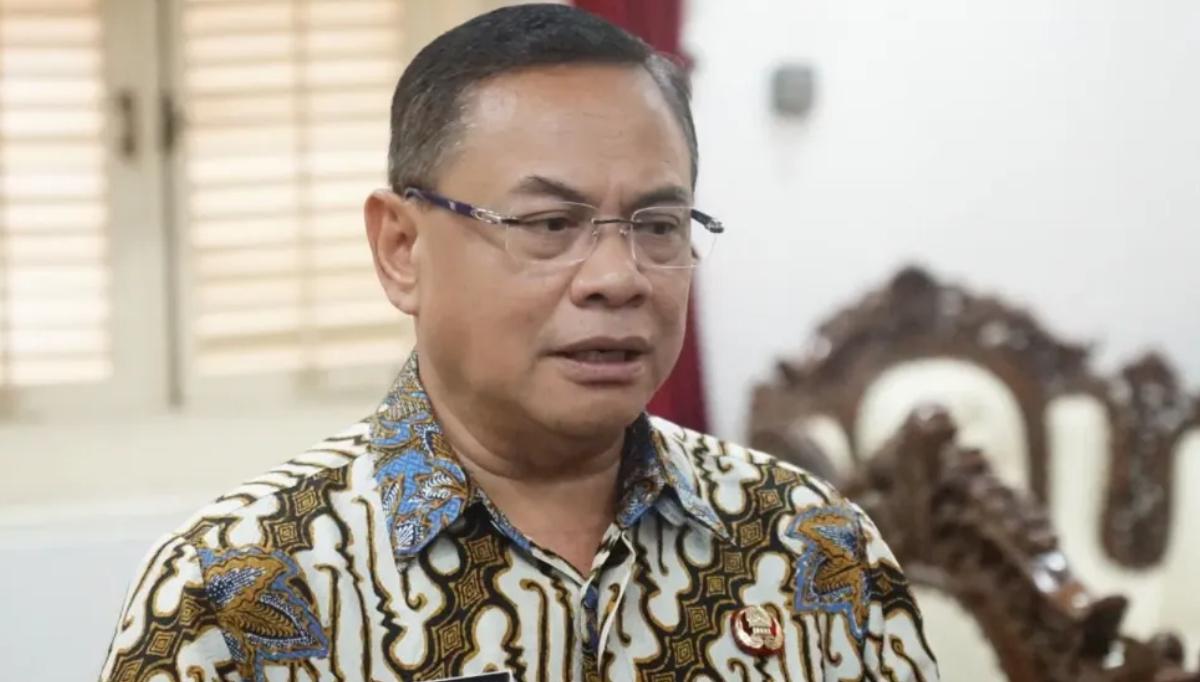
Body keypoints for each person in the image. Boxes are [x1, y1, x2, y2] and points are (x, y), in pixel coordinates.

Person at [101, 5, 938, 681]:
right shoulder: (236, 587)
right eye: (548, 224)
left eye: (658, 224)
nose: (618, 277)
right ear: (401, 249)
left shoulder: (811, 544)